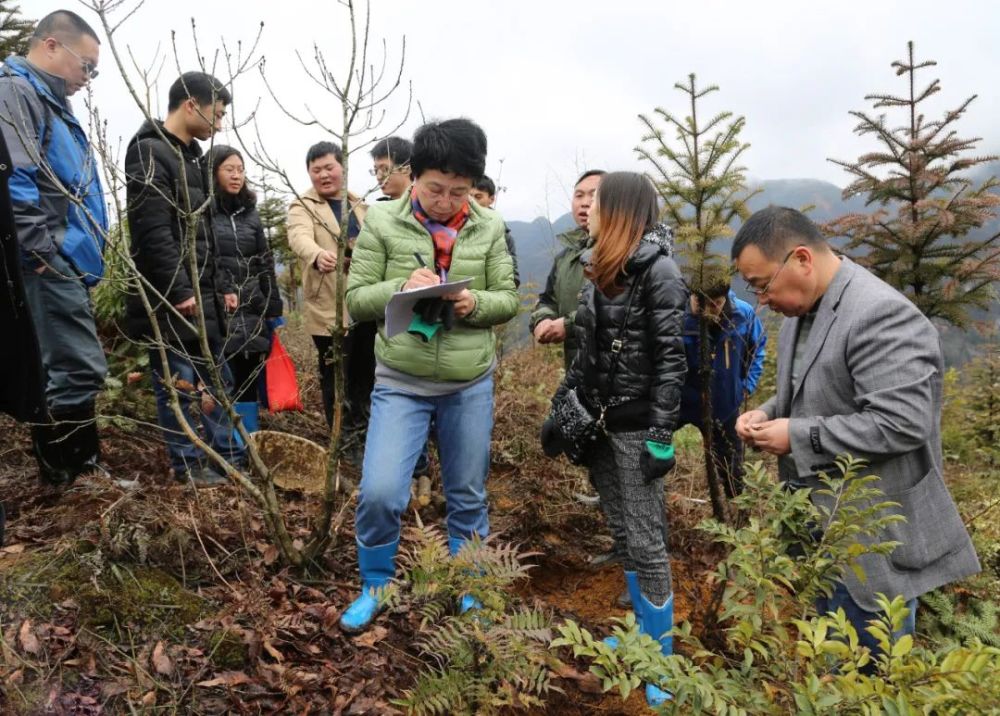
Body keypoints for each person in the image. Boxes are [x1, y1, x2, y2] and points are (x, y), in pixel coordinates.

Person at [732, 206, 980, 663]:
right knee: (832, 652)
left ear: (801, 259)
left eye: (763, 285)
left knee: (869, 666)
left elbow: (902, 422)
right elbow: (805, 390)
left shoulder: (879, 313)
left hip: (872, 539)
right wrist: (766, 413)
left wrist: (798, 436)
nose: (762, 300)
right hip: (822, 528)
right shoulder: (802, 313)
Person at [341, 118, 517, 633]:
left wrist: (474, 302)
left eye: (458, 192)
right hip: (401, 379)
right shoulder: (381, 221)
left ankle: (470, 585)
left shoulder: (488, 225)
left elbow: (507, 298)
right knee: (380, 492)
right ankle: (375, 583)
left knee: (467, 493)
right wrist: (400, 286)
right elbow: (356, 299)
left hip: (468, 382)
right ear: (413, 176)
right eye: (435, 188)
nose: (445, 201)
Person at [542, 172, 687, 706]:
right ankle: (640, 637)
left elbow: (672, 360)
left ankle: (660, 662)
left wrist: (661, 434)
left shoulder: (660, 272)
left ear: (620, 210)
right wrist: (563, 405)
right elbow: (586, 350)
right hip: (598, 421)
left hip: (635, 425)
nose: (588, 210)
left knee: (647, 542)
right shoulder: (597, 265)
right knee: (622, 530)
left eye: (597, 202)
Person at [0, 10, 109, 485]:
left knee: (68, 364)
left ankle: (73, 471)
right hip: (48, 260)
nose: (88, 78)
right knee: (74, 366)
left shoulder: (50, 101)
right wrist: (42, 255)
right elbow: (15, 180)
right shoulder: (16, 93)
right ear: (50, 46)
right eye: (87, 65)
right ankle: (73, 474)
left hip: (66, 258)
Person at [124, 71, 243, 487]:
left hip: (203, 293)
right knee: (179, 386)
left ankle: (229, 458)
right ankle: (189, 466)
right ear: (192, 105)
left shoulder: (193, 158)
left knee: (219, 380)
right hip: (172, 297)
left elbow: (207, 232)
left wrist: (222, 284)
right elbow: (152, 229)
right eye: (218, 113)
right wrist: (178, 289)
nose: (220, 124)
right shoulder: (150, 152)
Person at [287, 141, 369, 457]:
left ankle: (363, 433)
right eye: (316, 169)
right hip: (328, 307)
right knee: (337, 377)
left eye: (328, 167)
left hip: (365, 304)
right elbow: (298, 237)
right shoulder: (303, 206)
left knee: (364, 372)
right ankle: (343, 440)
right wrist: (317, 254)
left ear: (342, 168)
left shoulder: (359, 204)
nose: (323, 175)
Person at [208, 145, 283, 431]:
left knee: (250, 376)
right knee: (224, 376)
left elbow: (265, 261)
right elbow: (206, 258)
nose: (236, 175)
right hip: (222, 308)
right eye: (229, 169)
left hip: (253, 307)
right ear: (213, 172)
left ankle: (248, 438)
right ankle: (226, 440)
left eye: (240, 170)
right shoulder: (204, 212)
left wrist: (273, 305)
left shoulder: (250, 213)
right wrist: (224, 287)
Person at [678, 281, 766, 498]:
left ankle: (737, 507)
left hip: (724, 402)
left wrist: (747, 385)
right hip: (681, 401)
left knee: (731, 465)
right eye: (701, 304)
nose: (708, 310)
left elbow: (757, 347)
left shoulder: (742, 314)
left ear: (725, 297)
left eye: (716, 304)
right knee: (652, 447)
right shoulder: (676, 315)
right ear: (692, 297)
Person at [530, 169, 604, 370]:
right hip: (576, 369)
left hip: (618, 372)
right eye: (579, 195)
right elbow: (548, 299)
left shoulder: (621, 252)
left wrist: (569, 325)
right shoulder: (566, 257)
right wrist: (542, 320)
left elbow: (616, 309)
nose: (584, 202)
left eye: (594, 195)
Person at [470, 174, 520, 288]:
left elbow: (513, 277)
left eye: (478, 197)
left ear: (491, 199)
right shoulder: (453, 228)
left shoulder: (503, 236)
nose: (472, 202)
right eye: (469, 196)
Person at [370, 136, 412, 201]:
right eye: (376, 170)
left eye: (385, 169)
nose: (378, 177)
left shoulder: (423, 205)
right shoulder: (382, 207)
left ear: (407, 169)